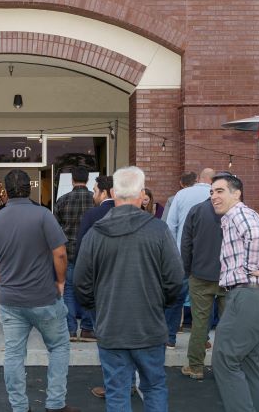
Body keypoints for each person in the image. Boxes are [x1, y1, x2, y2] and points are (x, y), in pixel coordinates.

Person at [75, 166, 183, 412]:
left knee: (117, 392)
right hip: (149, 327)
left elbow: (81, 283)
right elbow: (175, 281)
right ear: (142, 194)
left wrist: (98, 309)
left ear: (113, 192)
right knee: (154, 387)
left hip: (111, 326)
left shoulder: (95, 234)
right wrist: (159, 304)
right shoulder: (158, 230)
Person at [0, 169, 79, 412]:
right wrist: (60, 281)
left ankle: (19, 407)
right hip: (45, 297)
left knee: (14, 355)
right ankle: (55, 404)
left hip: (11, 301)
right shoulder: (43, 215)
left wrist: (2, 282)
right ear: (29, 189)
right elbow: (59, 253)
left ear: (6, 191)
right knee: (58, 347)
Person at [210, 173, 259, 412]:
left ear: (236, 193)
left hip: (250, 295)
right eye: (212, 192)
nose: (214, 196)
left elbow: (256, 234)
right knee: (247, 362)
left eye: (220, 191)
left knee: (225, 359)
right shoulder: (233, 217)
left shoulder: (239, 213)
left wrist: (251, 267)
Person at [164, 167, 215, 348]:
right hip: (208, 257)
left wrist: (172, 253)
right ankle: (203, 338)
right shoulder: (215, 197)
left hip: (181, 256)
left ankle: (169, 337)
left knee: (176, 297)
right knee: (205, 300)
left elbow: (170, 226)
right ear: (212, 180)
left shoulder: (182, 194)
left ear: (199, 178)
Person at [180, 197, 225, 380]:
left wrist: (187, 269)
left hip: (200, 273)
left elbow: (186, 243)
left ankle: (196, 366)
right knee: (227, 323)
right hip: (228, 276)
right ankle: (225, 368)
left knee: (200, 322)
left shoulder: (197, 210)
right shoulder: (236, 210)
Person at [54, 165, 94, 341]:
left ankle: (70, 329)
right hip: (89, 252)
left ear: (72, 180)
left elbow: (55, 229)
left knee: (68, 291)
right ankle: (87, 328)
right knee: (88, 291)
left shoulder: (62, 200)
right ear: (88, 180)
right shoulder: (95, 200)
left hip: (68, 251)